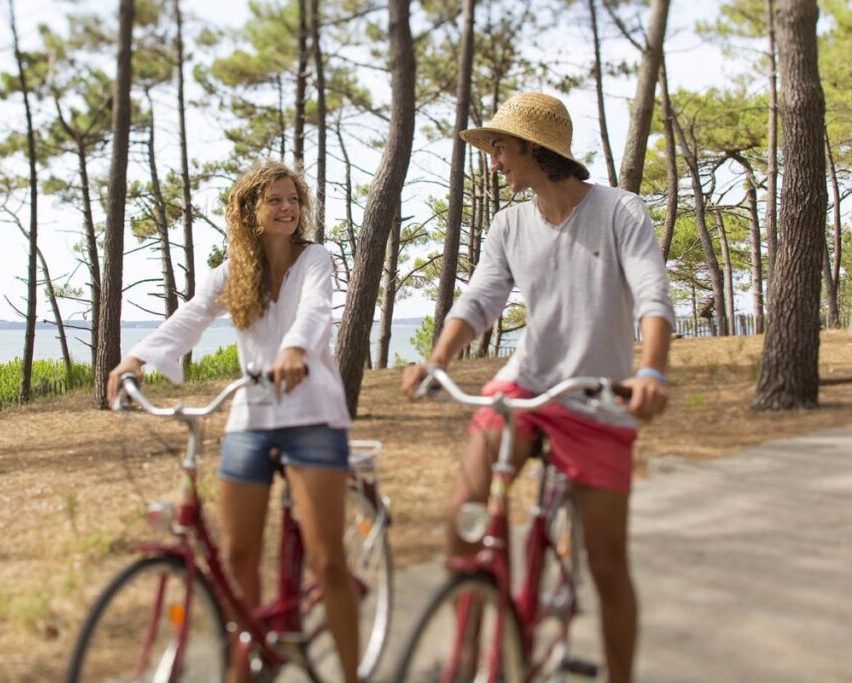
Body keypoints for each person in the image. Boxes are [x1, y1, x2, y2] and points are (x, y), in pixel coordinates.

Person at [401, 92, 674, 683]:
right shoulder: (510, 223)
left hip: (598, 400)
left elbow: (653, 295)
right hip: (524, 387)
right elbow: (479, 300)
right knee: (464, 515)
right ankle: (467, 659)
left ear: (532, 149)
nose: (494, 160)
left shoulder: (620, 211)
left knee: (606, 563)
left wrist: (650, 371)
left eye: (500, 148)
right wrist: (437, 360)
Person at [107, 161, 359, 683]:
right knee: (238, 556)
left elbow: (317, 310)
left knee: (328, 560)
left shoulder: (315, 258)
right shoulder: (233, 270)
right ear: (250, 210)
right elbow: (193, 314)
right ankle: (243, 672)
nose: (287, 208)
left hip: (312, 417)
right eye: (274, 200)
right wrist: (137, 360)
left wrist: (293, 348)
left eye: (293, 199)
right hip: (252, 417)